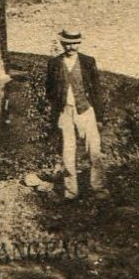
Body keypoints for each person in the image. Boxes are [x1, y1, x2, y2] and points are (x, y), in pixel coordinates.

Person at [45, 29, 107, 200]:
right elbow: (49, 91)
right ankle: (71, 192)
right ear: (62, 43)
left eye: (75, 43)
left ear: (80, 43)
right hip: (65, 112)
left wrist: (100, 117)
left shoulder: (88, 62)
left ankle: (98, 188)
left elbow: (96, 91)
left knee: (94, 150)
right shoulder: (54, 63)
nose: (72, 47)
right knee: (68, 151)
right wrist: (56, 112)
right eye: (68, 43)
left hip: (86, 110)